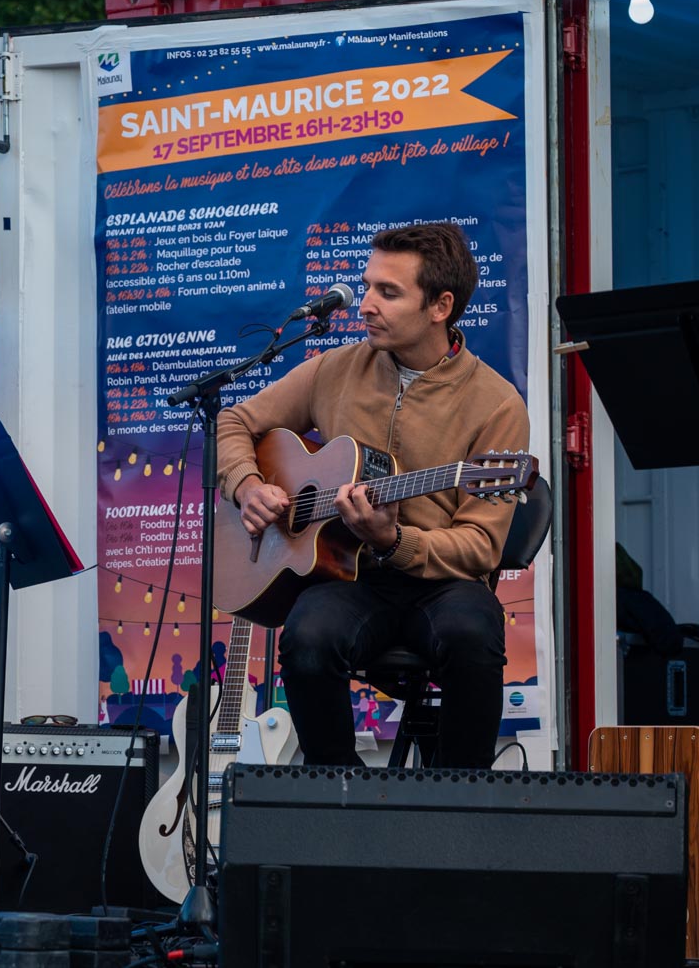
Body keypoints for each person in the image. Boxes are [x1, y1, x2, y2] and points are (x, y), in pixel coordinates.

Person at [218, 222, 530, 770]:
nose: (364, 305)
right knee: (307, 638)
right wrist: (248, 484)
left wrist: (394, 540)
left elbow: (481, 546)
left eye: (387, 292)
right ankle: (338, 791)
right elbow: (234, 421)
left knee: (472, 635)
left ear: (440, 306)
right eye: (366, 287)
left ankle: (463, 799)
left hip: (443, 584)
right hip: (348, 576)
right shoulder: (335, 368)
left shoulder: (497, 405)